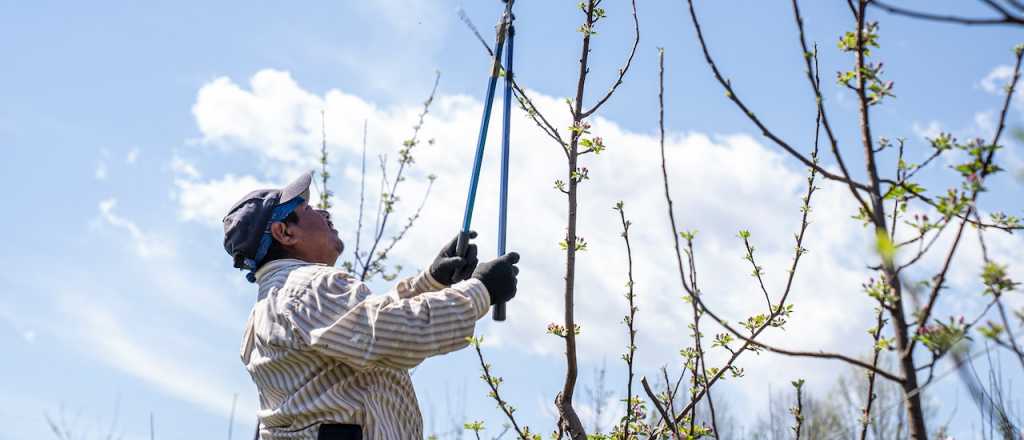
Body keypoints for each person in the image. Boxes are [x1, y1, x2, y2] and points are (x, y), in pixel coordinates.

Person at [222, 171, 521, 440]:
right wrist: (482, 290)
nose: (324, 212)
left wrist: (431, 281)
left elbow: (358, 332)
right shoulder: (308, 287)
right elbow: (395, 334)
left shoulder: (268, 308)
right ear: (285, 233)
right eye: (307, 208)